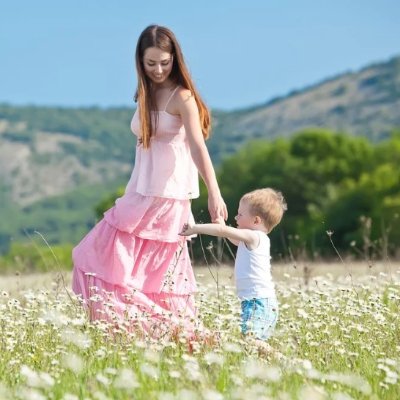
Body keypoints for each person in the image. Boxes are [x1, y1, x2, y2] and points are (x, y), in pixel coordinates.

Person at [72, 25, 227, 340]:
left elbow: (198, 146)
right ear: (140, 62)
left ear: (175, 60)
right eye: (151, 63)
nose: (158, 70)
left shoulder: (182, 96)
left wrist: (214, 193)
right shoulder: (145, 93)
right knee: (94, 257)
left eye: (165, 63)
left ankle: (183, 335)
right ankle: (144, 334)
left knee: (153, 276)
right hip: (140, 193)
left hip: (166, 198)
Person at [180, 188, 286, 345]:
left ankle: (280, 358)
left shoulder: (254, 237)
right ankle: (271, 359)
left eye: (240, 214)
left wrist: (195, 228)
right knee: (251, 342)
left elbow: (223, 231)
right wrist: (221, 225)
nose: (236, 217)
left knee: (251, 341)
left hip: (258, 302)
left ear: (256, 221)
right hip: (257, 301)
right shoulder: (255, 239)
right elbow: (229, 235)